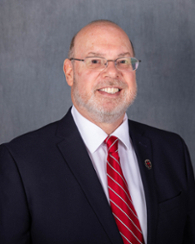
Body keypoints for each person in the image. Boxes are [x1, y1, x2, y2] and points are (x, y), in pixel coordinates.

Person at [0, 20, 195, 244]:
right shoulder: (19, 162)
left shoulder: (172, 150)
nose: (112, 72)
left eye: (123, 61)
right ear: (69, 72)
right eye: (95, 61)